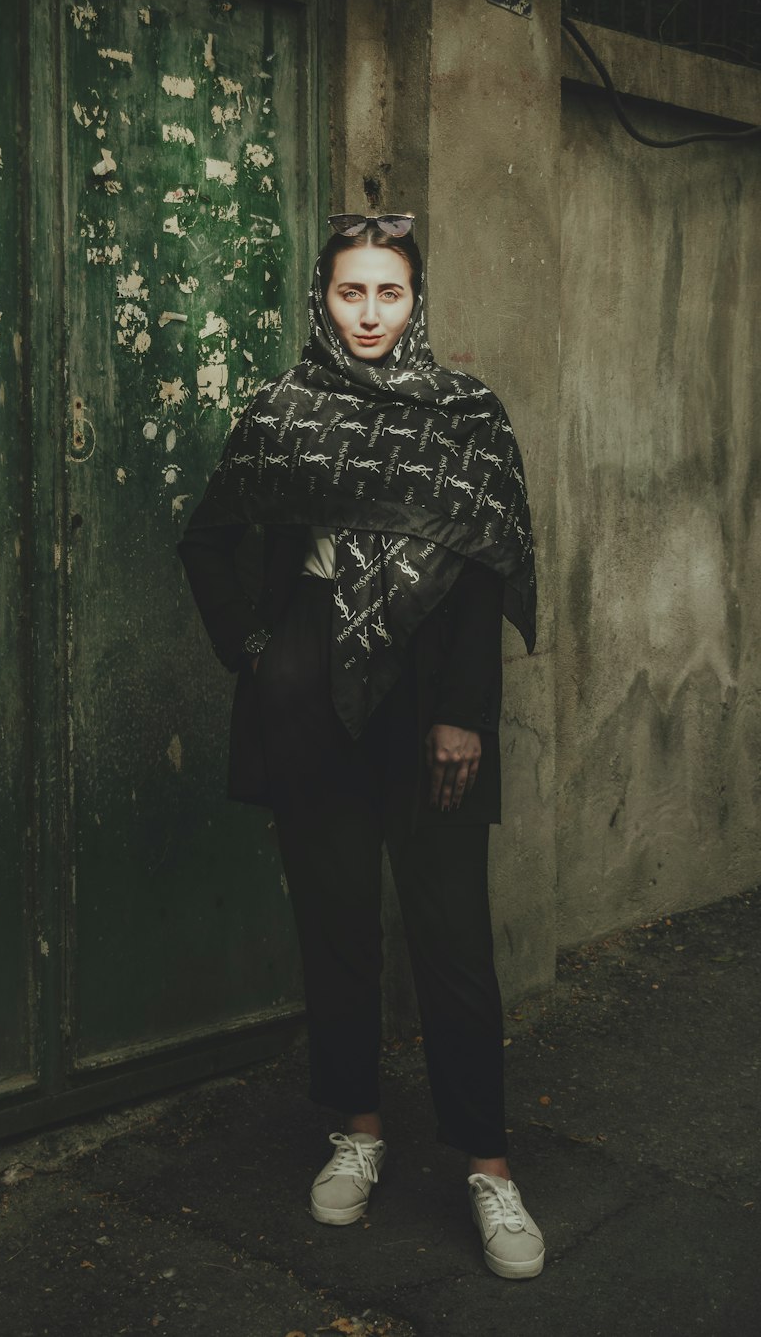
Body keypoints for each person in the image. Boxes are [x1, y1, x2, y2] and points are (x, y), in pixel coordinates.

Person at [177, 213, 544, 1280]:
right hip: (308, 706)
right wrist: (260, 645)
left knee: (452, 940)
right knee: (336, 929)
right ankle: (359, 1130)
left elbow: (482, 568)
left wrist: (465, 712)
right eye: (351, 293)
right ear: (322, 299)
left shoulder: (466, 415)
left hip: (432, 705)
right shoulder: (282, 412)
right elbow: (210, 539)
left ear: (415, 299)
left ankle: (489, 1167)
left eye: (389, 293)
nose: (370, 313)